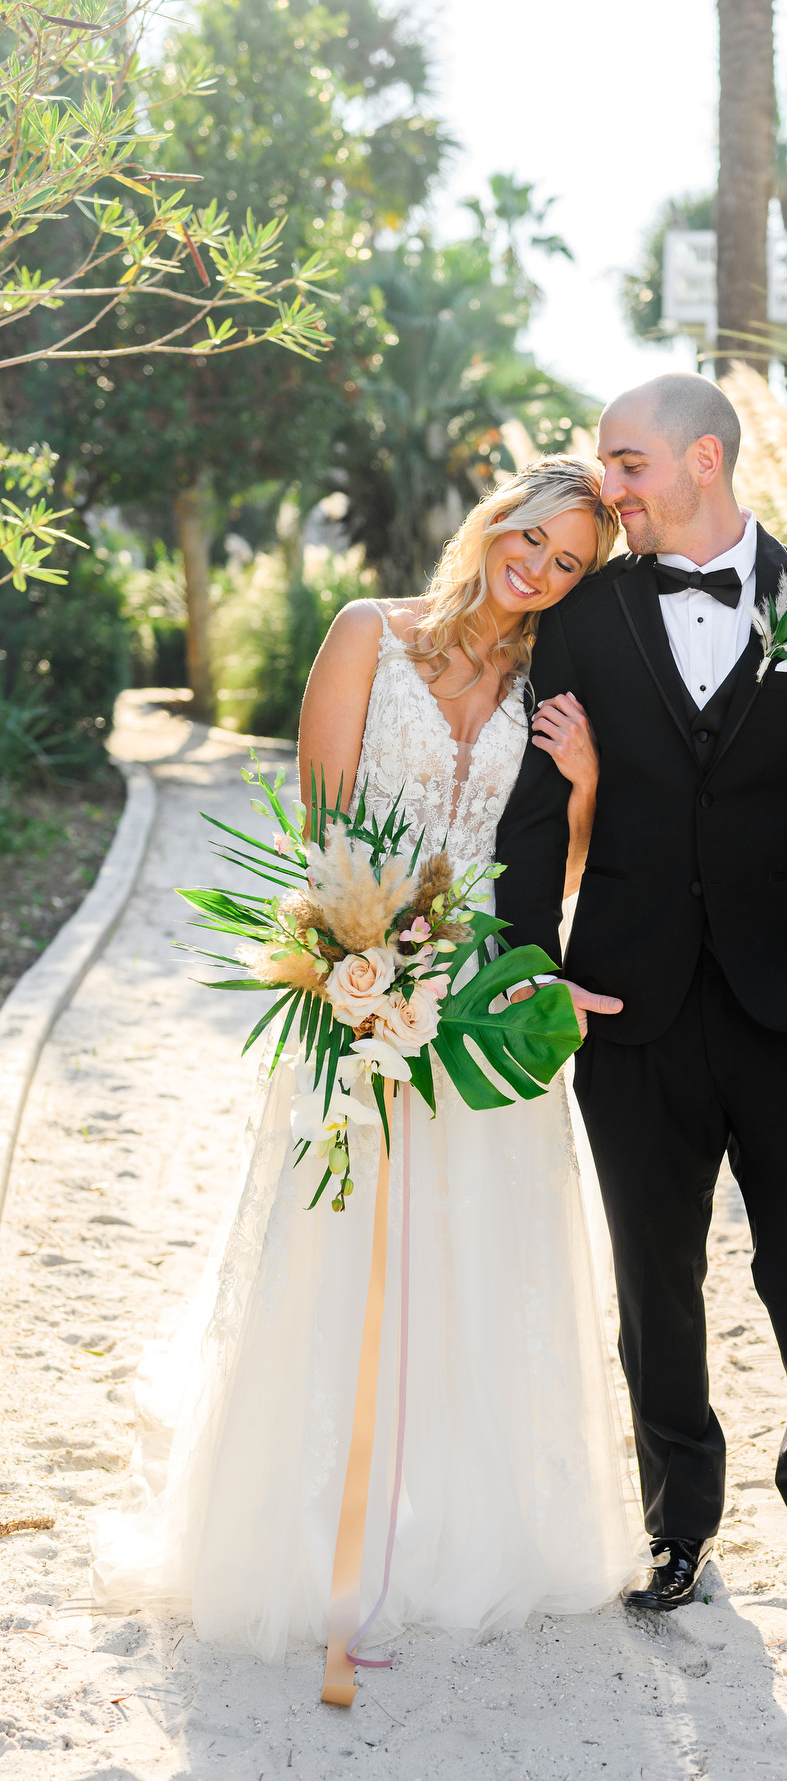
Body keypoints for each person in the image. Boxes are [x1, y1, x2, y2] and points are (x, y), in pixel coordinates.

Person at [91, 456, 642, 1663]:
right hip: (356, 991)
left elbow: (547, 866)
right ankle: (313, 1534)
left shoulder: (546, 686)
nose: (537, 571)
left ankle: (455, 1533)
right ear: (496, 518)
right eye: (532, 539)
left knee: (477, 1259)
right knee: (337, 1249)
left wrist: (588, 785)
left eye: (566, 566)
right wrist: (365, 966)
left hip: (474, 1009)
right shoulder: (367, 634)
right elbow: (319, 827)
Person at [495, 376, 787, 1634]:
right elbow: (537, 808)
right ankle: (677, 1526)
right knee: (655, 1279)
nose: (607, 488)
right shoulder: (584, 617)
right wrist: (535, 966)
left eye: (625, 464)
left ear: (701, 459)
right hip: (626, 1004)